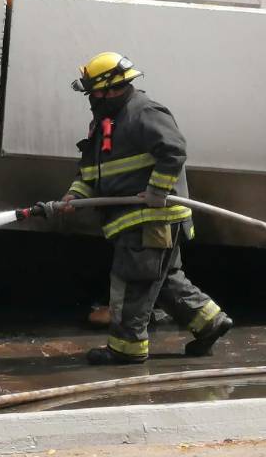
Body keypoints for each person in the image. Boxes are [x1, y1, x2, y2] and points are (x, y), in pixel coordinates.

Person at [62, 52, 232, 365]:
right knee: (164, 280)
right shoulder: (106, 122)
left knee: (132, 282)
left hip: (151, 219)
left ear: (111, 88)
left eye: (93, 92)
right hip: (145, 220)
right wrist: (75, 195)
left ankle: (126, 351)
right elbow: (92, 171)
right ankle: (210, 323)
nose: (91, 98)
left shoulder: (144, 112)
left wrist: (156, 190)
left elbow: (174, 151)